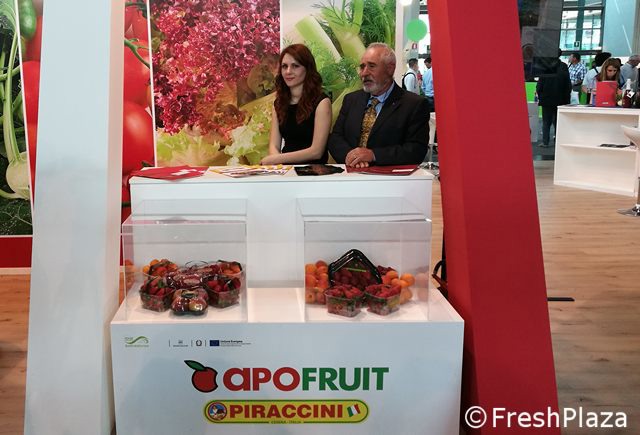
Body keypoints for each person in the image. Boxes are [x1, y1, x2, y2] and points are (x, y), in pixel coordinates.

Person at [328, 43, 430, 167]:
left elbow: (416, 150)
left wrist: (373, 155)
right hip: (350, 172)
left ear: (390, 69)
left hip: (387, 176)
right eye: (362, 67)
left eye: (372, 66)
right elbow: (336, 138)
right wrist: (352, 157)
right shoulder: (351, 100)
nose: (364, 73)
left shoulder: (414, 104)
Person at [260, 44, 331, 165]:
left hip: (313, 171)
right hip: (286, 171)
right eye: (284, 66)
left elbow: (317, 151)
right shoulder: (279, 103)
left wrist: (277, 159)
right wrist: (279, 166)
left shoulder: (322, 102)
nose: (288, 71)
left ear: (307, 69)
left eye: (295, 66)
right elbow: (274, 145)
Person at [536, 50, 571, 147]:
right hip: (561, 99)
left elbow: (540, 84)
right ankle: (558, 141)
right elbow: (568, 84)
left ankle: (545, 142)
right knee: (558, 121)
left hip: (546, 98)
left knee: (546, 122)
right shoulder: (563, 66)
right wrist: (566, 98)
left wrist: (540, 95)